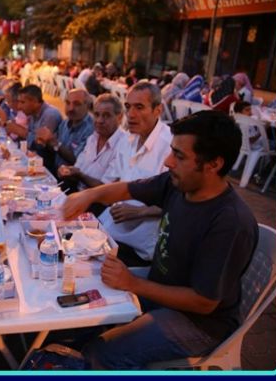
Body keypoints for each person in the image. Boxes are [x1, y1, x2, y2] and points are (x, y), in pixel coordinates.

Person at [62, 111, 257, 370]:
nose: (167, 162)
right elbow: (127, 189)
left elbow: (204, 302)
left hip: (199, 322)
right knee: (88, 289)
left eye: (179, 156)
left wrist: (131, 283)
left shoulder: (229, 222)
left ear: (213, 164)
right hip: (162, 284)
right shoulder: (179, 184)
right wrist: (89, 195)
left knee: (102, 353)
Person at [99, 82, 173, 267]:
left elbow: (178, 202)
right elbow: (114, 181)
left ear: (158, 110)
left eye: (139, 107)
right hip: (109, 231)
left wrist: (140, 212)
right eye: (128, 107)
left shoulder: (170, 147)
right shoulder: (128, 139)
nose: (131, 114)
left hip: (139, 248)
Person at [58, 93, 127, 193]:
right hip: (77, 192)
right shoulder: (93, 138)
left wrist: (79, 175)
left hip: (97, 200)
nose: (99, 120)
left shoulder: (124, 144)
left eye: (106, 116)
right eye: (96, 115)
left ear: (120, 117)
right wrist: (67, 171)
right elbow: (78, 168)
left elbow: (106, 189)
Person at [35, 89, 94, 174]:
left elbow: (76, 160)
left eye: (77, 104)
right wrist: (46, 141)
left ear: (87, 106)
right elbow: (56, 149)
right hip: (56, 171)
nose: (71, 108)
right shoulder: (65, 123)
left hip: (71, 177)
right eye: (68, 103)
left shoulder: (90, 129)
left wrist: (53, 142)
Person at [7, 84, 62, 167]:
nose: (19, 106)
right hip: (35, 159)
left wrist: (21, 132)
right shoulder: (33, 113)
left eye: (22, 102)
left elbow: (41, 146)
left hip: (48, 165)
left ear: (35, 102)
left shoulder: (50, 115)